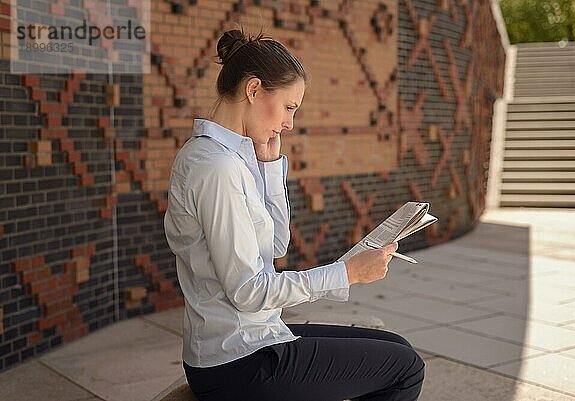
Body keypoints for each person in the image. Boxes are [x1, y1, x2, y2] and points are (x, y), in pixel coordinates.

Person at [163, 27, 425, 401]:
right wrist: (348, 272)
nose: (289, 123)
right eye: (288, 107)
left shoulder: (236, 158)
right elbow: (248, 291)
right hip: (238, 362)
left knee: (396, 346)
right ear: (253, 90)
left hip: (255, 338)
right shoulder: (214, 167)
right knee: (405, 369)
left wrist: (269, 168)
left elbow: (276, 246)